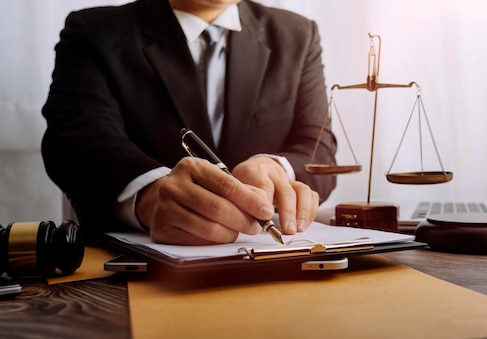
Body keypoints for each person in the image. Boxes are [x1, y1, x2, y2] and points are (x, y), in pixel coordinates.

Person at [41, 0, 337, 245]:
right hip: (134, 274)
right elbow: (75, 141)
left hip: (272, 262)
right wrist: (150, 195)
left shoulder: (298, 34)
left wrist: (277, 167)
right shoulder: (94, 32)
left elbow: (318, 148)